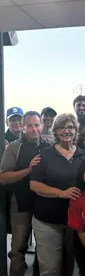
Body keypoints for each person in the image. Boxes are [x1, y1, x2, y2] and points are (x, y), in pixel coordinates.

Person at [30, 113, 85, 276]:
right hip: (47, 221)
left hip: (74, 222)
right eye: (61, 127)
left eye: (70, 127)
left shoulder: (84, 155)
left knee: (68, 267)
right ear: (55, 132)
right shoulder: (45, 155)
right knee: (51, 269)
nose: (66, 131)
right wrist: (61, 193)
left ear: (76, 130)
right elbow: (34, 184)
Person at [0, 111, 51, 276]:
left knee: (43, 249)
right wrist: (28, 170)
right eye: (29, 125)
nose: (34, 129)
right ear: (23, 127)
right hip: (21, 203)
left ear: (42, 126)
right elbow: (3, 177)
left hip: (44, 203)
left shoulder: (49, 145)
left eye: (37, 125)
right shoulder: (14, 147)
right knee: (17, 249)